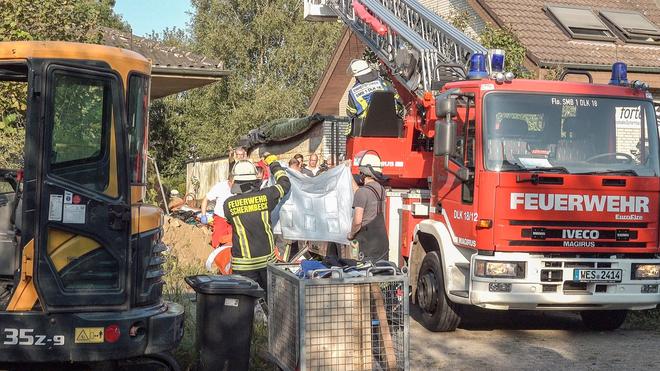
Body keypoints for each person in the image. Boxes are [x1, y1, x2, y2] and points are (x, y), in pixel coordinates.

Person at [223, 155, 291, 293]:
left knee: (246, 303)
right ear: (255, 179)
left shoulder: (228, 204)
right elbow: (285, 183)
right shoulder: (267, 196)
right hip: (267, 263)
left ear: (236, 182)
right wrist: (273, 164)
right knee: (270, 300)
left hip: (242, 267)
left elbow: (230, 221)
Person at [347, 151, 389, 262]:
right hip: (381, 242)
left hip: (366, 244)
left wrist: (351, 235)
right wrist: (348, 174)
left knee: (363, 276)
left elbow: (357, 221)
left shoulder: (362, 193)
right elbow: (360, 193)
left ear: (364, 172)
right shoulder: (381, 190)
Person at [345, 59, 404, 135]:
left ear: (357, 76)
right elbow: (400, 101)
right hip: (392, 127)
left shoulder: (353, 92)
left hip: (365, 130)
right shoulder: (385, 84)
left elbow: (350, 113)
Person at [200, 174, 234, 248]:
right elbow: (206, 199)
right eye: (233, 184)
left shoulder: (240, 187)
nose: (235, 186)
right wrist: (203, 215)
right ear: (229, 182)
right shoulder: (220, 187)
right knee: (218, 241)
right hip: (221, 218)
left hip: (234, 219)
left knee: (234, 241)